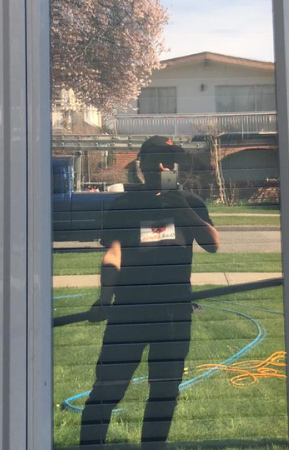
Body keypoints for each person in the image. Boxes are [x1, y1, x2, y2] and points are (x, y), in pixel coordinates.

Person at [80, 136, 220, 450]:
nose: (161, 166)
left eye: (168, 160)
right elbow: (113, 254)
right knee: (107, 390)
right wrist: (105, 298)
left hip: (173, 314)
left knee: (165, 390)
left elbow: (212, 244)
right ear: (141, 165)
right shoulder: (124, 206)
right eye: (155, 158)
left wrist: (183, 209)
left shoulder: (191, 202)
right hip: (128, 311)